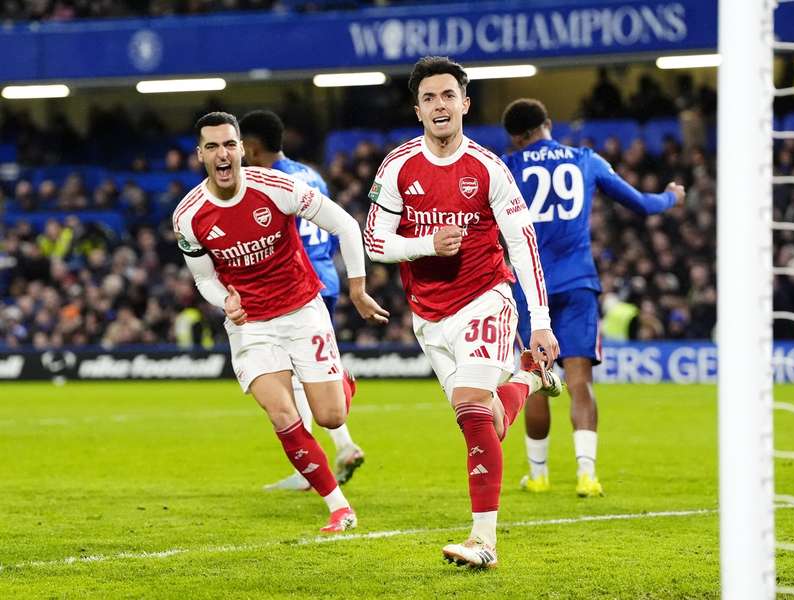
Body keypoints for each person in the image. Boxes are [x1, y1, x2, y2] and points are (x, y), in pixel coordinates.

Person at [364, 56, 561, 569]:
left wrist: (538, 319)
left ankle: (484, 540)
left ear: (465, 103)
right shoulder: (398, 166)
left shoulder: (489, 168)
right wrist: (426, 242)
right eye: (429, 98)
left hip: (485, 296)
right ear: (418, 109)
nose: (439, 105)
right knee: (486, 423)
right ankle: (532, 381)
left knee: (473, 408)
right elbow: (375, 242)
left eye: (448, 95)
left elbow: (523, 242)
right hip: (429, 315)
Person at [173, 112, 388, 532]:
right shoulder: (188, 216)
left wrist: (359, 290)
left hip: (302, 309)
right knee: (282, 415)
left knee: (330, 417)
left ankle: (341, 381)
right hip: (250, 325)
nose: (223, 153)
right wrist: (225, 300)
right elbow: (203, 278)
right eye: (212, 146)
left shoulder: (281, 187)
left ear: (242, 149)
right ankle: (339, 507)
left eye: (229, 144)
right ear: (200, 155)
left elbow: (345, 224)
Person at [501, 98, 684, 497]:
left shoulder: (508, 166)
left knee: (533, 376)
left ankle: (539, 475)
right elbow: (641, 204)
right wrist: (671, 196)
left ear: (515, 137)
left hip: (532, 291)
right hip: (579, 283)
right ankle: (587, 475)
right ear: (548, 123)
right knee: (580, 381)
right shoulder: (587, 159)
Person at [239, 109, 366, 491]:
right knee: (298, 374)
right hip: (324, 274)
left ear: (252, 146)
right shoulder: (310, 174)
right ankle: (328, 456)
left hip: (295, 285)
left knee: (292, 375)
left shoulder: (268, 181)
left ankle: (327, 454)